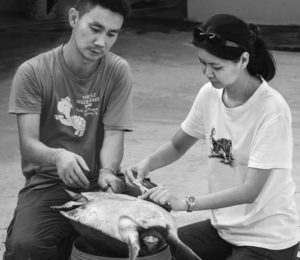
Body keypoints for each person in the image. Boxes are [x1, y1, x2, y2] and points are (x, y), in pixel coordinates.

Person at [125, 14, 300, 260]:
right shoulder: (209, 94)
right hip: (225, 230)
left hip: (268, 239)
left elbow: (251, 190)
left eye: (216, 66)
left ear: (243, 60)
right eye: (203, 63)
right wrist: (146, 164)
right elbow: (177, 145)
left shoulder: (272, 110)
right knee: (155, 251)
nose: (207, 73)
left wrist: (185, 203)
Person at [4, 0, 133, 259]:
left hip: (100, 182)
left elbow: (113, 134)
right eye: (95, 28)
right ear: (74, 18)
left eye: (111, 33)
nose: (101, 42)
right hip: (49, 183)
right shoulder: (33, 72)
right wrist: (57, 156)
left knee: (154, 223)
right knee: (25, 247)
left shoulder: (118, 70)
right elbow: (28, 144)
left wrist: (108, 171)